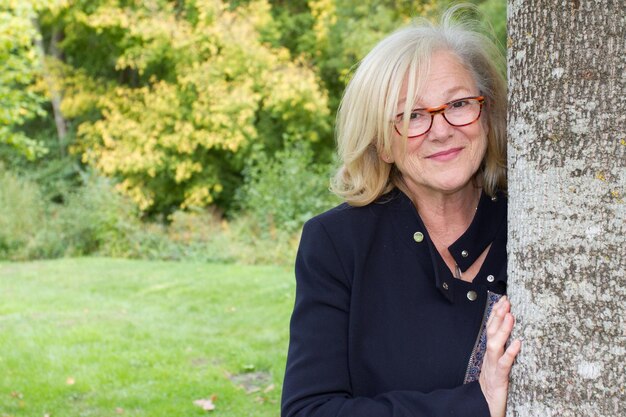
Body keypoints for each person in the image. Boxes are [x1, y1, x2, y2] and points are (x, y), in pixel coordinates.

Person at [281, 6, 521, 417]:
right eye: (411, 115)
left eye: (459, 103)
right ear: (381, 142)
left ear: (487, 114)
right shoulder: (339, 244)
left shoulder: (529, 226)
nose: (442, 129)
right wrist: (474, 404)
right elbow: (309, 410)